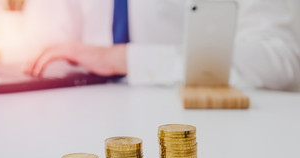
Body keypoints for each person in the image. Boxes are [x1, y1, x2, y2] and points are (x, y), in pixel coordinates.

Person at [24, 0, 300, 90]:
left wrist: (128, 60)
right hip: (81, 121)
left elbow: (280, 57)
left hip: (200, 128)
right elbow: (47, 46)